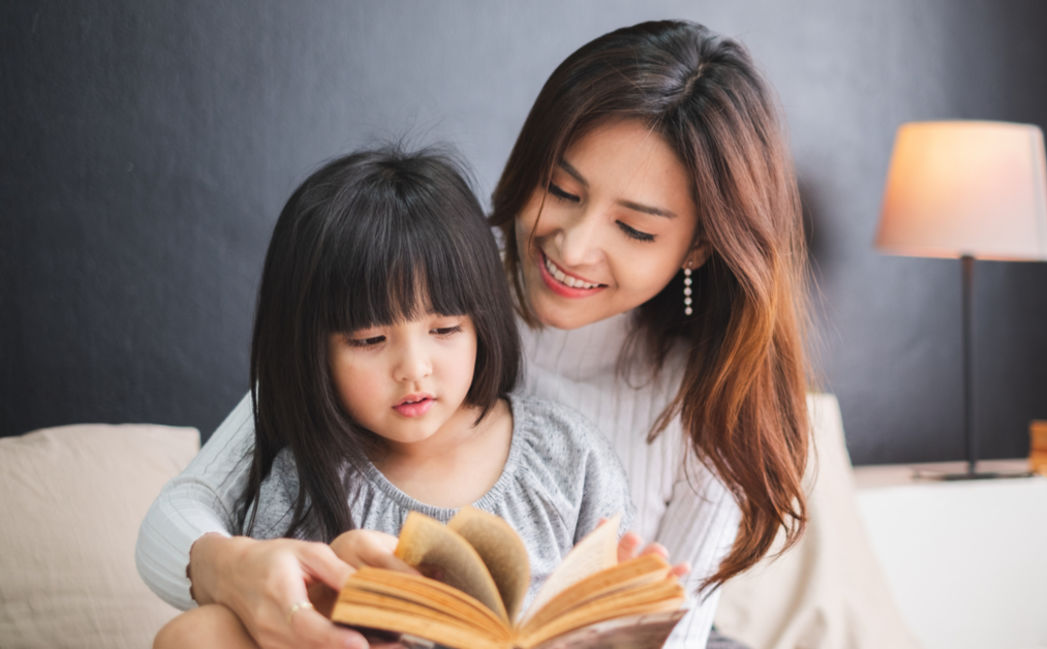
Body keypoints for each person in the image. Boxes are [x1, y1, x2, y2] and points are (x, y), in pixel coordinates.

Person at [137, 19, 812, 649]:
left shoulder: (710, 398)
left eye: (635, 229)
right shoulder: (429, 284)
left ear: (699, 246)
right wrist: (238, 566)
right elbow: (175, 524)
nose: (572, 247)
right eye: (561, 188)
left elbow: (681, 624)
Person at [148, 146, 636, 649]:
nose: (414, 369)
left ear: (482, 322)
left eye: (444, 329)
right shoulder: (304, 484)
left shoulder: (567, 457)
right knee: (197, 635)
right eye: (369, 340)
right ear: (313, 351)